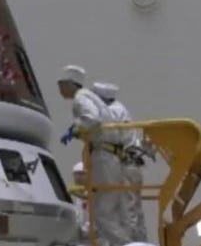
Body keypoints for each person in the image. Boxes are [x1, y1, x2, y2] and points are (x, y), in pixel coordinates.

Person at [58, 65, 125, 246]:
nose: (60, 89)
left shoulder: (81, 98)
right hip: (108, 154)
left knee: (102, 214)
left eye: (61, 84)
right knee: (106, 210)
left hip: (104, 154)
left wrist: (77, 129)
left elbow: (93, 119)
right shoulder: (89, 97)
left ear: (71, 84)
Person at [95, 81, 148, 243]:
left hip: (126, 164)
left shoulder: (112, 112)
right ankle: (140, 241)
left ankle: (131, 243)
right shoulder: (121, 109)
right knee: (135, 211)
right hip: (134, 164)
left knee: (126, 211)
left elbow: (102, 134)